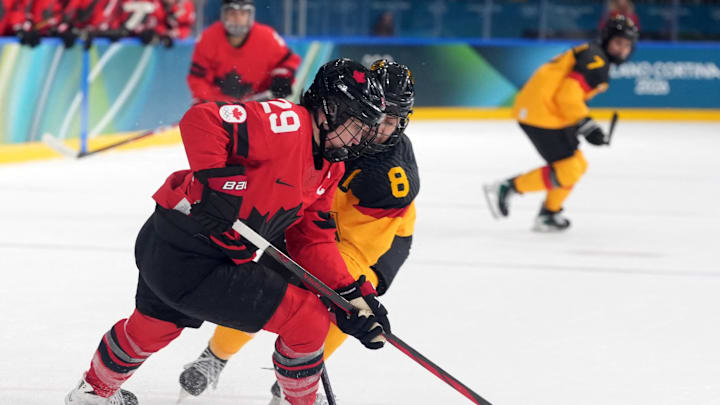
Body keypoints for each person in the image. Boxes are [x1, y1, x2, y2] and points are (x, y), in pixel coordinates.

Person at [64, 58, 389, 405]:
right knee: (307, 320)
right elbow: (202, 119)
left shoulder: (330, 168)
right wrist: (219, 186)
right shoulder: (286, 124)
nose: (358, 139)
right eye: (356, 125)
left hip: (177, 245)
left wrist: (352, 294)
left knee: (154, 325)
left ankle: (92, 394)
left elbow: (312, 239)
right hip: (191, 250)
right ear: (329, 110)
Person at [176, 59, 418, 403]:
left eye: (390, 121)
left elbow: (344, 239)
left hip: (369, 239)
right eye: (374, 117)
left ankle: (299, 375)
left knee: (346, 302)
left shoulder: (388, 173)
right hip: (314, 218)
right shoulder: (338, 128)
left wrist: (338, 282)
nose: (376, 129)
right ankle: (214, 357)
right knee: (267, 284)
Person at [483, 15, 638, 232]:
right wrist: (586, 124)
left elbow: (566, 95)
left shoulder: (594, 54)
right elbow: (567, 97)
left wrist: (583, 123)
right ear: (607, 39)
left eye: (627, 45)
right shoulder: (597, 61)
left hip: (544, 109)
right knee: (569, 169)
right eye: (618, 42)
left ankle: (549, 213)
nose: (623, 49)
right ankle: (507, 188)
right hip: (542, 113)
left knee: (576, 165)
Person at [187, 0, 301, 104]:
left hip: (258, 107)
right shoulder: (208, 38)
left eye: (243, 14)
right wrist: (206, 102)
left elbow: (288, 61)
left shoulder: (267, 37)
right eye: (233, 13)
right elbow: (198, 79)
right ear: (224, 14)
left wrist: (282, 78)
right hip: (218, 109)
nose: (238, 19)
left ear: (250, 15)